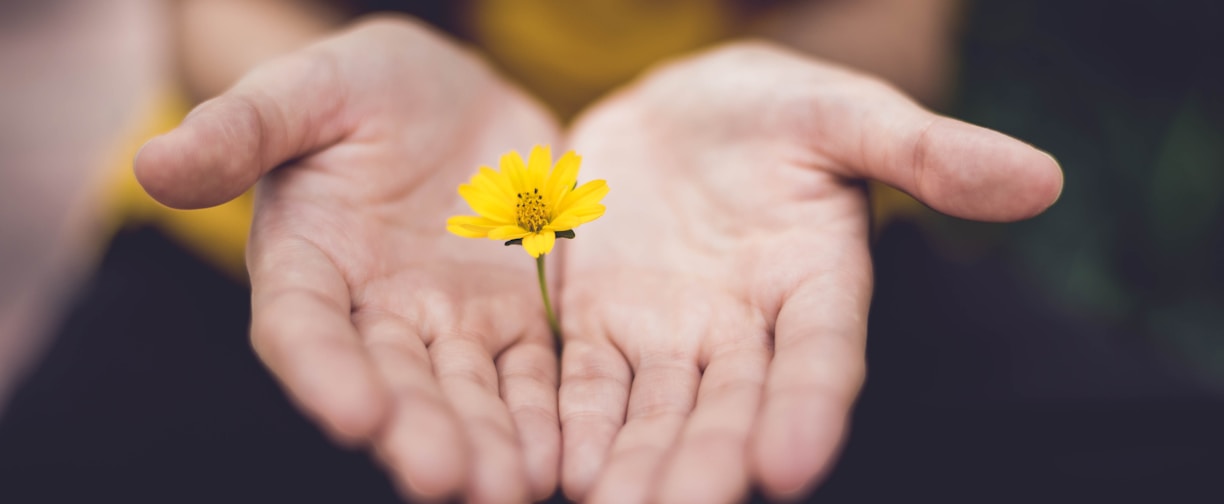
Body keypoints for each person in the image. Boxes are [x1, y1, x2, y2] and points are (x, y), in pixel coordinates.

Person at [129, 3, 1059, 504]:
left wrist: (783, 95)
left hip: (756, 237)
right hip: (327, 225)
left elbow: (888, 25)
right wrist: (308, 94)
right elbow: (212, 14)